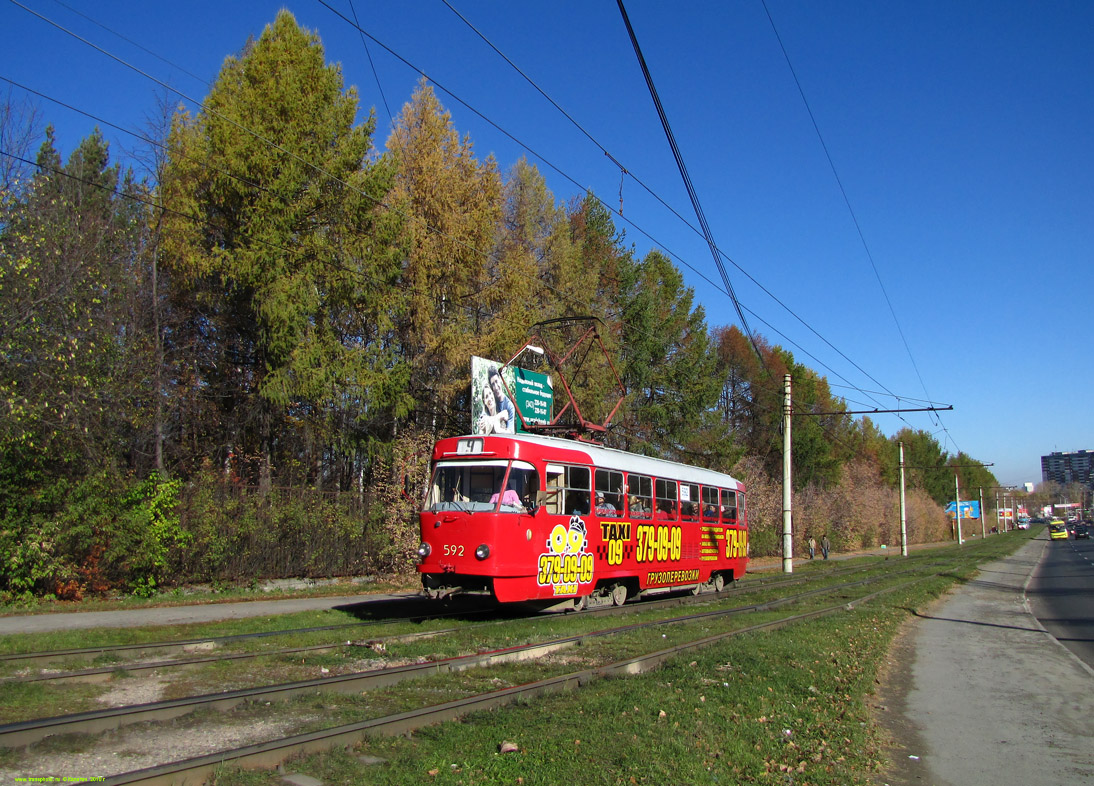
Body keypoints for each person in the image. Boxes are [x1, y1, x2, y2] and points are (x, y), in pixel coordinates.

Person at [487, 368, 516, 433]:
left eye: (496, 381)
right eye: (493, 384)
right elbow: (483, 421)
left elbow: (510, 432)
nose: (496, 387)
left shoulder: (509, 406)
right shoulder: (490, 402)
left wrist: (497, 429)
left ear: (500, 380)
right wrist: (498, 417)